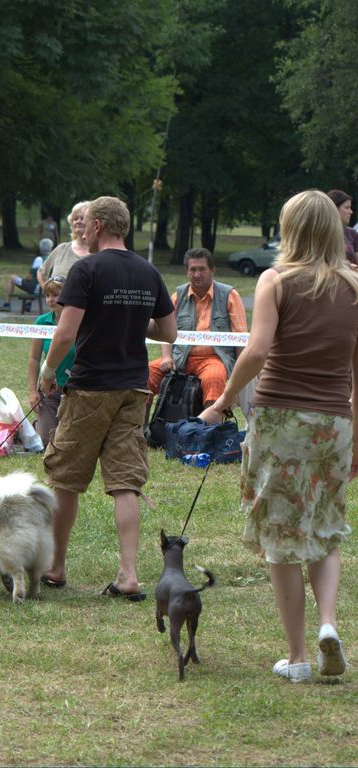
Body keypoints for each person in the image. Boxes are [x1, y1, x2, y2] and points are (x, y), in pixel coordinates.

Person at [200, 189, 358, 683]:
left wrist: (224, 401)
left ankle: (298, 657)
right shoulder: (355, 285)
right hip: (335, 422)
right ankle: (329, 625)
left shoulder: (276, 280)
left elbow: (257, 351)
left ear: (290, 230)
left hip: (281, 422)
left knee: (280, 536)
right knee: (325, 526)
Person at [39, 196, 177, 598]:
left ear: (98, 225)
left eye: (87, 224)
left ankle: (56, 566)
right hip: (134, 388)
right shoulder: (148, 272)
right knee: (124, 483)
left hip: (90, 387)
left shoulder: (86, 269)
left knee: (65, 478)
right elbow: (168, 332)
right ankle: (128, 575)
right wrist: (132, 321)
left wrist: (48, 373)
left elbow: (65, 333)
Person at [147, 248, 247, 414]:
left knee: (214, 378)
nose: (197, 274)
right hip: (180, 358)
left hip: (214, 359)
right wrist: (166, 357)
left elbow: (240, 339)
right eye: (192, 269)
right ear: (186, 271)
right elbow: (165, 330)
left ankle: (207, 434)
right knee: (146, 376)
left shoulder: (230, 295)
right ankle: (141, 433)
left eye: (202, 269)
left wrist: (238, 372)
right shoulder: (177, 296)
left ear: (213, 271)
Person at [27, 275, 75, 446]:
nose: (50, 299)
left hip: (76, 391)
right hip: (50, 391)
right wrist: (33, 391)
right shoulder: (42, 322)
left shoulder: (80, 321)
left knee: (70, 441)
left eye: (55, 294)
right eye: (47, 295)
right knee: (46, 442)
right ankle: (36, 426)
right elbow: (34, 359)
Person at [37, 202, 91, 288]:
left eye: (82, 218)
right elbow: (41, 272)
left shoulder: (99, 252)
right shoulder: (61, 249)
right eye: (75, 219)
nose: (78, 221)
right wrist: (48, 292)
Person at [0, 238, 53, 312]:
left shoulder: (39, 259)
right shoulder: (54, 259)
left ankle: (7, 304)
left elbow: (30, 277)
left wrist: (24, 280)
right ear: (51, 249)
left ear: (40, 249)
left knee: (12, 278)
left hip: (37, 288)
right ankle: (28, 304)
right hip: (48, 288)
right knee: (32, 283)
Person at [326, 189, 358, 266]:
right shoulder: (320, 233)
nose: (351, 212)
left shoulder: (351, 233)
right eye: (347, 208)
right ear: (334, 208)